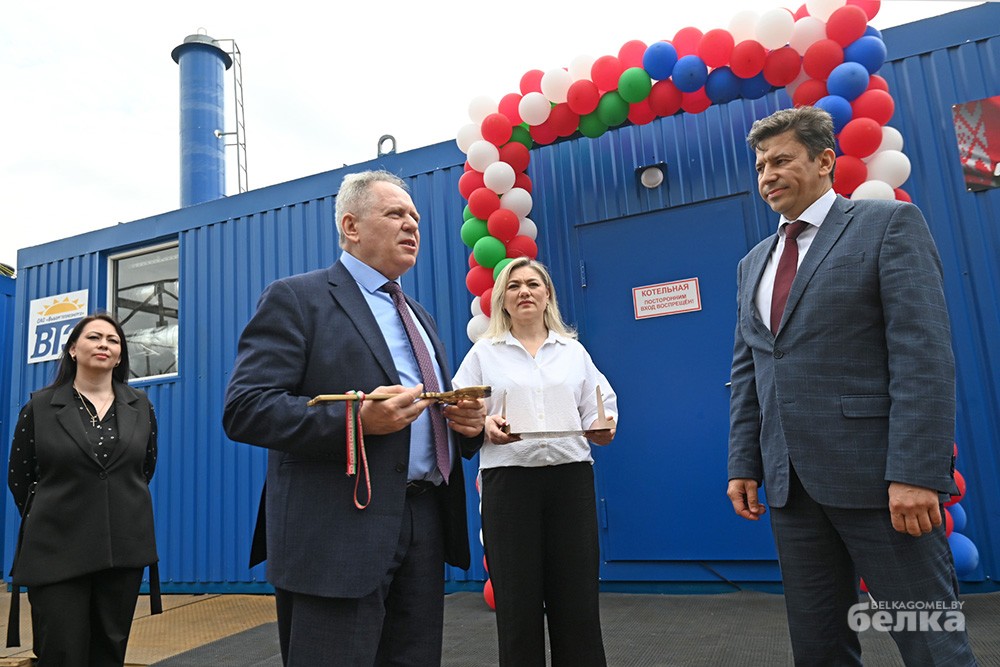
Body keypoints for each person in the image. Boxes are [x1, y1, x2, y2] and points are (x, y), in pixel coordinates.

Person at [727, 106, 977, 665]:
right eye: (761, 165)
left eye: (782, 160)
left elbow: (923, 355)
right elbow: (749, 371)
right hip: (791, 488)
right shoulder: (752, 264)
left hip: (882, 484)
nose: (768, 175)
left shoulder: (887, 225)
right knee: (819, 648)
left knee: (932, 642)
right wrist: (744, 462)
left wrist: (915, 472)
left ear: (824, 161)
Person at [222, 169, 486, 666]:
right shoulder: (297, 298)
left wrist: (464, 427)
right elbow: (246, 408)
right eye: (395, 214)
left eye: (415, 217)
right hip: (336, 533)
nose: (412, 225)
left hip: (423, 521)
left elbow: (428, 413)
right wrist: (356, 421)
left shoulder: (420, 316)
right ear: (351, 225)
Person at [453, 257, 617, 667]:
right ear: (502, 300)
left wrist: (602, 425)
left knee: (577, 599)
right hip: (509, 486)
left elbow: (599, 403)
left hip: (570, 483)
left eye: (532, 284)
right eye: (513, 286)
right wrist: (484, 423)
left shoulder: (573, 352)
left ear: (547, 296)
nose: (524, 291)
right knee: (516, 602)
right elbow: (459, 407)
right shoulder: (483, 353)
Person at [7, 313, 160, 665]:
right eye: (94, 337)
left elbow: (143, 470)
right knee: (61, 651)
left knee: (109, 652)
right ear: (73, 349)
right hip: (56, 549)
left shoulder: (140, 406)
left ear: (119, 356)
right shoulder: (39, 407)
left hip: (122, 549)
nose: (104, 344)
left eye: (113, 340)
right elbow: (20, 478)